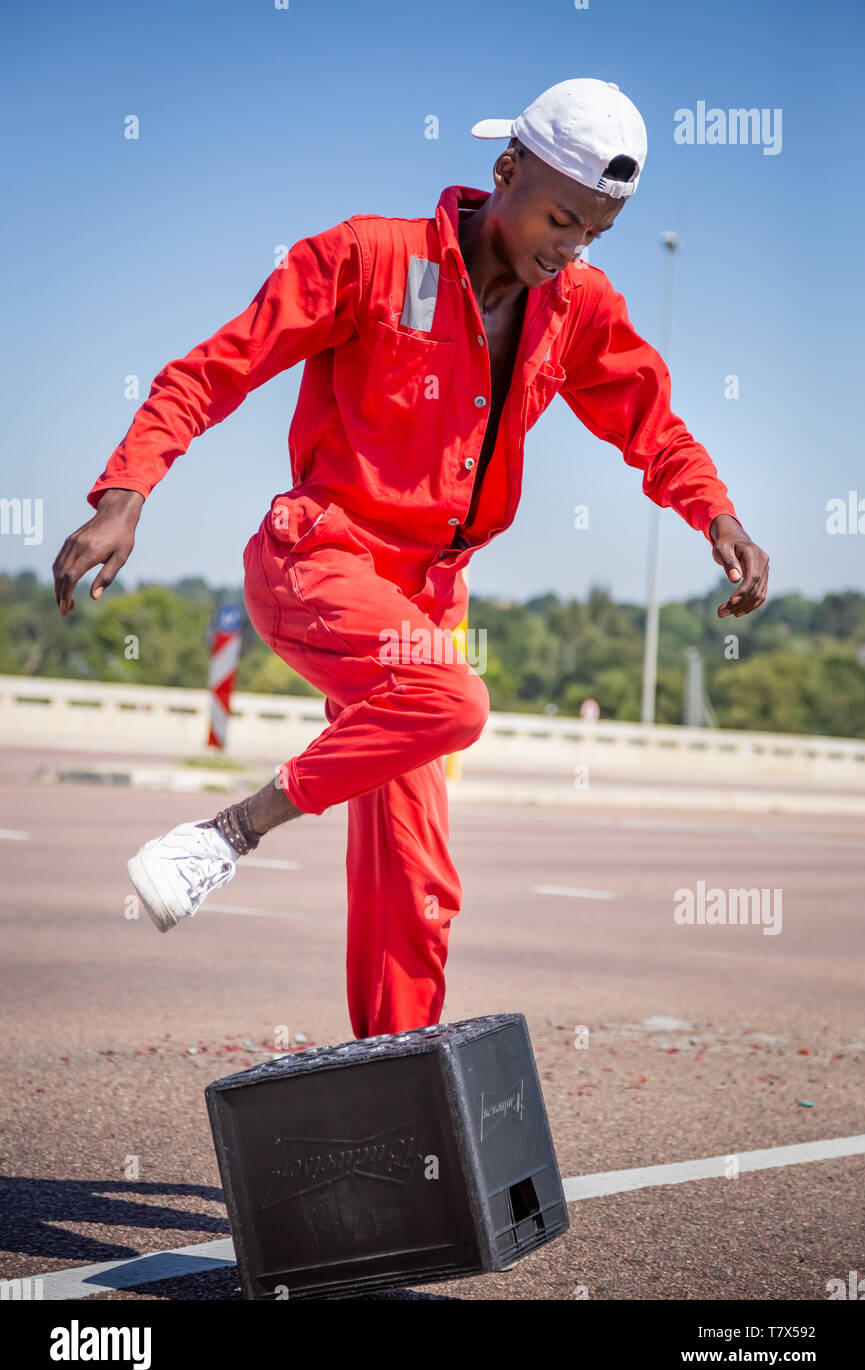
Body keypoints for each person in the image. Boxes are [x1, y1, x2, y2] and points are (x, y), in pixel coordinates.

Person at [52, 78, 769, 1040]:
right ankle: (228, 835)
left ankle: (398, 1100)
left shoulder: (577, 307)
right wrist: (124, 495)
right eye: (561, 218)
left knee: (416, 880)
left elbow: (652, 424)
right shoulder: (369, 259)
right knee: (452, 699)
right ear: (505, 169)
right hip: (318, 560)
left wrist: (714, 513)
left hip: (428, 596)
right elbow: (213, 371)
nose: (571, 247)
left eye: (593, 233)